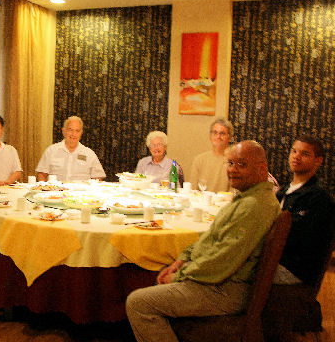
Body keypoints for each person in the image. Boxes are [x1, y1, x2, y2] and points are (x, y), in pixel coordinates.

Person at [125, 140, 280, 342]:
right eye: (230, 163)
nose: (233, 170)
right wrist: (182, 259)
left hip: (224, 288)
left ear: (262, 168)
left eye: (242, 164)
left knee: (138, 304)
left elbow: (223, 259)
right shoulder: (249, 197)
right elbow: (210, 238)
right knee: (159, 274)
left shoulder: (254, 206)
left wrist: (181, 275)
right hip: (219, 279)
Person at [274, 135, 335, 286]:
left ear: (318, 160)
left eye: (305, 154)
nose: (296, 156)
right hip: (274, 260)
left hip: (294, 271)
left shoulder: (318, 198)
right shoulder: (283, 192)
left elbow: (300, 242)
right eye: (294, 151)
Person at [35, 116, 106, 182]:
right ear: (64, 131)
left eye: (77, 131)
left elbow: (98, 177)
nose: (73, 134)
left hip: (81, 193)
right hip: (57, 192)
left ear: (81, 133)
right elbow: (41, 174)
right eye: (70, 130)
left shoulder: (89, 154)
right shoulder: (51, 151)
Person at [189, 117, 233, 192]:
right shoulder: (199, 160)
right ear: (210, 136)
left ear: (230, 138)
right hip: (202, 202)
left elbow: (234, 192)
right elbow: (193, 189)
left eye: (222, 133)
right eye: (215, 133)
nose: (218, 137)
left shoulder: (234, 161)